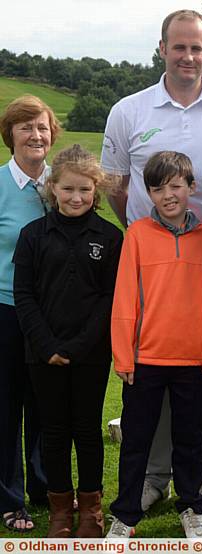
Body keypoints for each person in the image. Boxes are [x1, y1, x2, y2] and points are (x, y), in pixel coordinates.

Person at [101, 8, 202, 518]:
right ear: (162, 48)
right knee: (150, 372)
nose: (188, 56)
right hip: (152, 266)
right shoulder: (129, 110)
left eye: (197, 47)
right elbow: (117, 188)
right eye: (178, 46)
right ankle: (152, 477)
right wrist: (147, 239)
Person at [106, 151, 202, 540]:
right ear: (148, 192)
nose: (168, 195)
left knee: (190, 441)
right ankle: (124, 516)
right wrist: (124, 353)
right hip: (145, 360)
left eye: (176, 186)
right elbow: (125, 299)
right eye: (158, 188)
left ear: (191, 187)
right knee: (136, 441)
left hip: (191, 360)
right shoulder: (137, 234)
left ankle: (191, 507)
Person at [13, 145, 123, 538]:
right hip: (42, 355)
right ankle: (61, 510)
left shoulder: (110, 237)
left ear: (96, 190)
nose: (76, 198)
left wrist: (76, 347)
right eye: (68, 189)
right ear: (52, 189)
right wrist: (48, 346)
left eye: (85, 190)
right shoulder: (33, 236)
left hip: (91, 355)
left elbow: (110, 299)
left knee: (88, 431)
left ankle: (91, 509)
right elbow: (23, 295)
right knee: (54, 432)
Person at [0, 95, 60, 532]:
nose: (35, 135)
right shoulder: (1, 185)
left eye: (41, 127)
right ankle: (9, 498)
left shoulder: (63, 186)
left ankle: (45, 488)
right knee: (6, 408)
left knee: (47, 406)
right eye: (25, 127)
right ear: (10, 136)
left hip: (52, 316)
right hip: (5, 310)